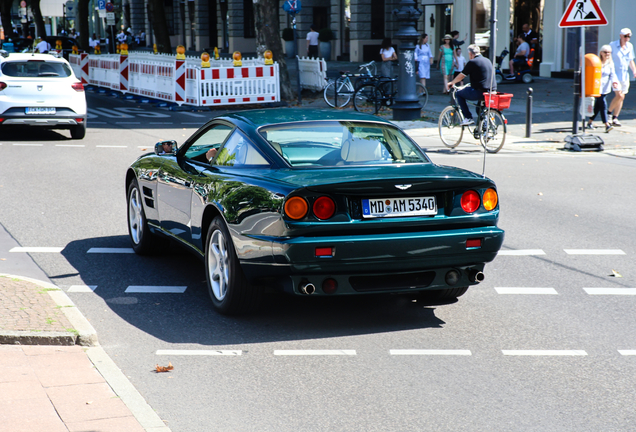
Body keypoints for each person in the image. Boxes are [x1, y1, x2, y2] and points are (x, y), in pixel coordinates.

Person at [446, 44, 497, 126]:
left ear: (470, 53)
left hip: (480, 92)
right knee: (479, 109)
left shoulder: (473, 62)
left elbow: (462, 75)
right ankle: (484, 127)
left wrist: (452, 82)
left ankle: (468, 117)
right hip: (491, 92)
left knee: (459, 94)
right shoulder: (487, 60)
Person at [587, 45, 619, 133]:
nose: (607, 54)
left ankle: (589, 122)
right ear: (601, 53)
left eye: (609, 52)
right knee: (603, 105)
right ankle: (606, 124)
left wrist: (614, 82)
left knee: (598, 106)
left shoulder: (610, 63)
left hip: (605, 87)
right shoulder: (597, 62)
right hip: (597, 87)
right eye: (605, 52)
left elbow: (612, 74)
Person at [608, 28, 636, 126]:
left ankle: (615, 117)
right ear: (620, 36)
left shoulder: (629, 46)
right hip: (615, 74)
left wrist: (634, 71)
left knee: (622, 96)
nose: (627, 38)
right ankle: (608, 113)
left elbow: (630, 60)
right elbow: (607, 57)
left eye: (629, 36)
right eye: (625, 36)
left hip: (624, 75)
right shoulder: (613, 45)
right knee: (619, 95)